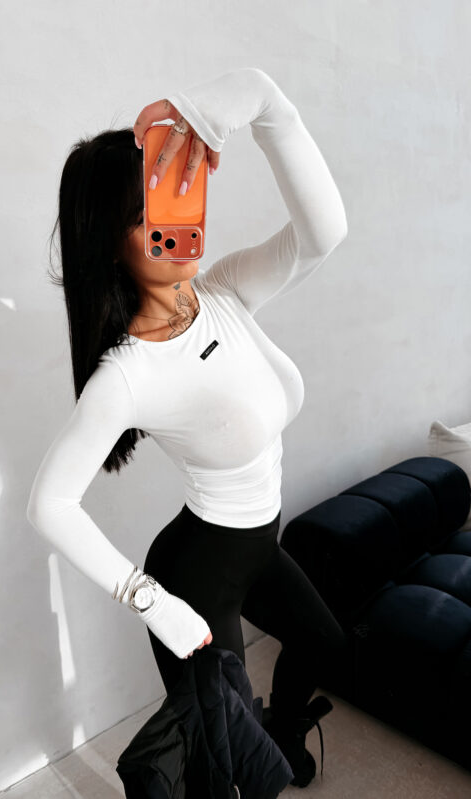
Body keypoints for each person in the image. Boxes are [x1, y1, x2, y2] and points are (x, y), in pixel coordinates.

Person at [26, 66, 349, 786]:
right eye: (147, 215)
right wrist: (149, 600)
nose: (176, 223)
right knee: (226, 774)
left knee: (324, 645)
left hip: (257, 543)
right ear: (110, 244)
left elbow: (324, 233)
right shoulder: (127, 374)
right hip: (196, 574)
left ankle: (280, 727)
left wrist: (263, 101)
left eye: (176, 196)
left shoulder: (223, 291)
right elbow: (48, 504)